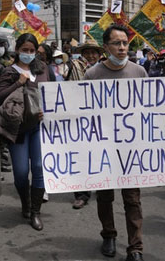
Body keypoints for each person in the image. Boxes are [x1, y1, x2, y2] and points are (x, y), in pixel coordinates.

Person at [84, 24, 147, 261]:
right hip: (103, 148)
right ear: (105, 47)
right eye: (117, 43)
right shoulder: (92, 75)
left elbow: (151, 109)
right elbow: (81, 111)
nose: (122, 48)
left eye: (125, 43)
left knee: (133, 199)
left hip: (131, 150)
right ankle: (109, 235)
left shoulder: (139, 72)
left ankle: (136, 247)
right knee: (105, 197)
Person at [0, 33, 50, 231]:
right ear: (17, 50)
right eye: (24, 50)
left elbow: (52, 95)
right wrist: (18, 82)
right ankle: (25, 204)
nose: (28, 54)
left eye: (32, 51)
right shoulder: (9, 72)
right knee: (20, 172)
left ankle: (35, 212)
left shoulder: (42, 69)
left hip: (39, 128)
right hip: (17, 129)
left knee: (39, 167)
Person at [67, 38, 104, 208]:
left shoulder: (106, 68)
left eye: (93, 52)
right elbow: (70, 89)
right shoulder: (74, 67)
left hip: (102, 119)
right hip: (80, 117)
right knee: (81, 156)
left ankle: (101, 185)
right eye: (87, 52)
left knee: (99, 155)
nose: (90, 55)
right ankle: (81, 193)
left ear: (99, 54)